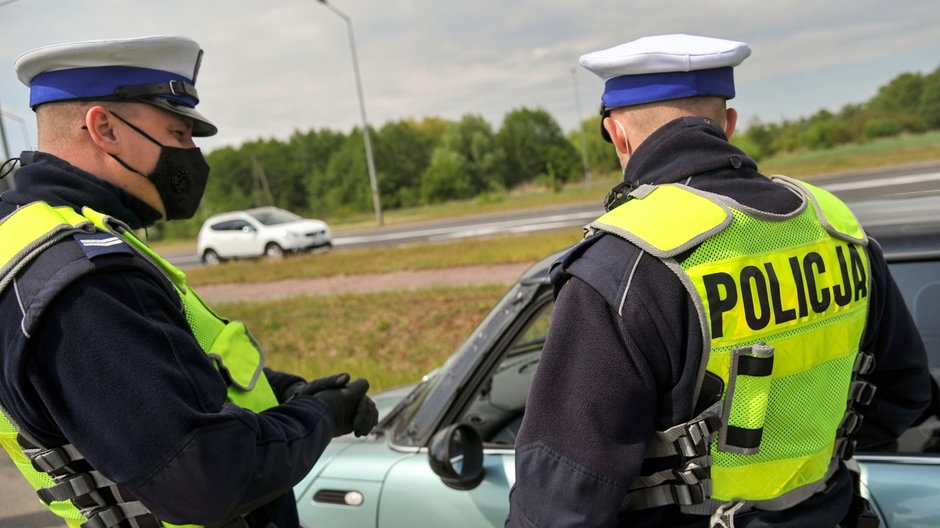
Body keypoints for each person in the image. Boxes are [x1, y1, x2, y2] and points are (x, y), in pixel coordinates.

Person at [506, 34, 932, 528]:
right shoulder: (834, 225)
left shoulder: (627, 263)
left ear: (617, 134)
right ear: (728, 124)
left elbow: (560, 502)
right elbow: (905, 398)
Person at [0, 36, 378, 528]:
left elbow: (172, 373)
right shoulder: (82, 282)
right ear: (104, 128)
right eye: (178, 132)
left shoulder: (44, 233)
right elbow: (205, 477)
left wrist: (286, 394)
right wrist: (321, 417)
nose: (192, 155)